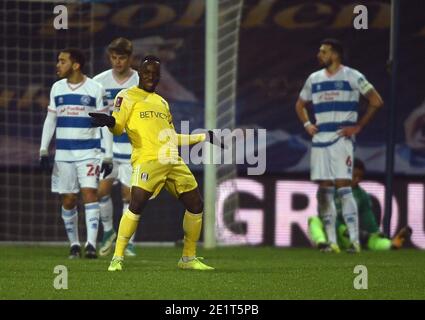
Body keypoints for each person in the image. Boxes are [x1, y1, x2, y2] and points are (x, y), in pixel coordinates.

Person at [89, 55, 224, 271]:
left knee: (196, 205)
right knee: (136, 204)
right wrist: (111, 122)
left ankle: (188, 259)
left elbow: (172, 136)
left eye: (155, 74)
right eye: (147, 73)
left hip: (172, 160)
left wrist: (204, 136)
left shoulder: (162, 102)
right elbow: (119, 127)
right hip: (148, 160)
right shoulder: (127, 96)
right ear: (139, 74)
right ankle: (117, 257)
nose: (151, 77)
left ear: (159, 77)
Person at [295, 38, 384, 253]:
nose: (319, 55)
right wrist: (307, 124)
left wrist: (359, 126)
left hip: (341, 137)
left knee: (344, 186)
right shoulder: (313, 79)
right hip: (320, 139)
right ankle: (332, 243)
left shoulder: (353, 76)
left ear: (335, 55)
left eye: (323, 52)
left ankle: (354, 241)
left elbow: (376, 101)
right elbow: (300, 104)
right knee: (325, 189)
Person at [39, 48, 109, 259]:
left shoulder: (95, 88)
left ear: (76, 65)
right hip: (64, 154)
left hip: (89, 151)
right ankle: (74, 245)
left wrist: (108, 155)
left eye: (62, 61)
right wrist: (43, 149)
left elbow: (105, 123)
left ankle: (90, 244)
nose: (58, 65)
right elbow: (51, 119)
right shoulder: (57, 88)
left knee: (89, 194)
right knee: (68, 200)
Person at [93, 38, 139, 257]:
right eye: (114, 57)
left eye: (122, 58)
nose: (117, 62)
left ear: (130, 58)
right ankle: (108, 232)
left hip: (132, 148)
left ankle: (127, 241)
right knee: (101, 191)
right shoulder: (99, 82)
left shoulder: (139, 82)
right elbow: (96, 117)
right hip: (106, 149)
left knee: (128, 196)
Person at [308, 158, 412, 252]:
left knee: (371, 240)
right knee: (314, 220)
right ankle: (322, 244)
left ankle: (391, 245)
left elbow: (368, 219)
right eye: (354, 176)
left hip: (347, 237)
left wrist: (376, 232)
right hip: (329, 234)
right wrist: (342, 229)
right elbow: (323, 215)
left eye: (360, 177)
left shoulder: (362, 196)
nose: (358, 180)